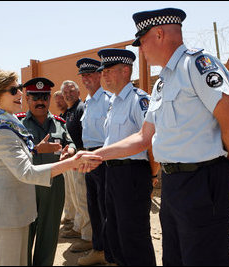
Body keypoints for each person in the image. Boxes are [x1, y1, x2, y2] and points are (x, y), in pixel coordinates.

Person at [79, 7, 229, 266]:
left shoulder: (197, 66)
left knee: (205, 258)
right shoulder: (162, 83)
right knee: (175, 258)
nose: (141, 49)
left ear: (159, 34)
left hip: (203, 181)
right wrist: (95, 154)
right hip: (173, 184)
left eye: (142, 41)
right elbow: (144, 137)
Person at [0, 69, 102, 266]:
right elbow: (25, 170)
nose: (20, 94)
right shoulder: (7, 127)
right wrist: (71, 162)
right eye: (14, 91)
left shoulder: (10, 124)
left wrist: (41, 150)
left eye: (19, 89)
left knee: (47, 234)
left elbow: (63, 143)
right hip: (16, 202)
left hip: (40, 190)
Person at [96, 48, 157, 266]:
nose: (104, 74)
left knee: (133, 234)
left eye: (109, 70)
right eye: (103, 70)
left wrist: (153, 173)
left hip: (132, 174)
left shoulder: (138, 100)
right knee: (114, 231)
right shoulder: (114, 102)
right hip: (112, 173)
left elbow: (151, 139)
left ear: (125, 71)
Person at [22, 77, 76, 266]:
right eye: (35, 97)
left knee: (49, 235)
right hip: (26, 187)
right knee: (24, 237)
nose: (40, 101)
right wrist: (35, 148)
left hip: (53, 188)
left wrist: (70, 151)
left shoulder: (59, 123)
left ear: (49, 98)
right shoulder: (18, 123)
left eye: (44, 97)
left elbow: (70, 144)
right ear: (27, 98)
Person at [75, 58, 113, 266]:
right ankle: (98, 249)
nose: (86, 79)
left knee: (106, 207)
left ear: (99, 75)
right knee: (93, 207)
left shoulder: (108, 100)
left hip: (103, 157)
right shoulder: (87, 103)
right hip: (88, 157)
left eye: (90, 74)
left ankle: (111, 253)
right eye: (83, 76)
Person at [60, 80, 93, 253]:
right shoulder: (69, 111)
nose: (68, 94)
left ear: (78, 92)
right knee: (74, 196)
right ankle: (78, 228)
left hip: (81, 158)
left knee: (82, 198)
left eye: (71, 91)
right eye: (65, 92)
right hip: (72, 159)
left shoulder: (81, 108)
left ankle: (88, 237)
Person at [53, 89, 76, 228]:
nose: (59, 103)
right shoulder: (62, 116)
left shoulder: (73, 113)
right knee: (68, 190)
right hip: (64, 158)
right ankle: (69, 216)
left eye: (60, 100)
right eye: (56, 102)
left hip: (74, 156)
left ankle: (76, 222)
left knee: (76, 193)